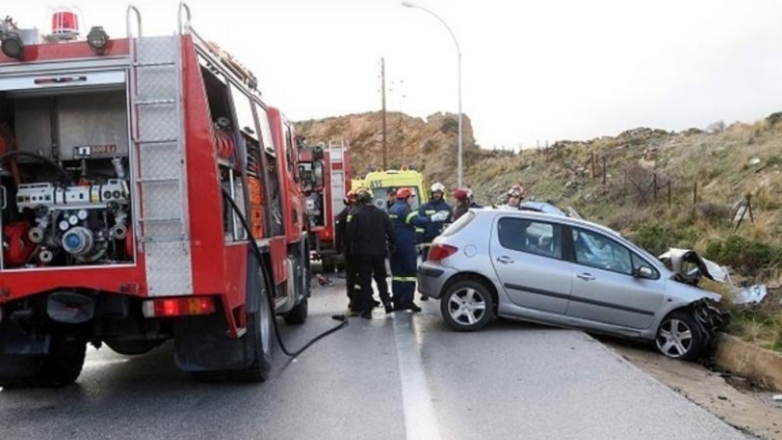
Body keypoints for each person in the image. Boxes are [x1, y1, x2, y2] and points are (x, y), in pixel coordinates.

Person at [389, 188, 449, 312]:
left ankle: (397, 301)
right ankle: (408, 301)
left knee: (397, 275)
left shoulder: (392, 209)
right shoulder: (405, 210)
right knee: (410, 274)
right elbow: (418, 221)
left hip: (394, 246)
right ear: (407, 198)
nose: (412, 200)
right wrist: (434, 218)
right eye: (411, 197)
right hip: (405, 246)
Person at [345, 189, 396, 318]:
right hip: (379, 253)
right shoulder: (382, 213)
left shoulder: (356, 215)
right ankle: (387, 303)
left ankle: (367, 311)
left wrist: (349, 250)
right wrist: (392, 244)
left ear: (360, 201)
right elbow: (391, 231)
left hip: (362, 254)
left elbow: (349, 235)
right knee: (381, 279)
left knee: (365, 281)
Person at [418, 182, 452, 300]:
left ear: (442, 194)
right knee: (425, 268)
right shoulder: (424, 207)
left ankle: (443, 289)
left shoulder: (447, 208)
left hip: (442, 242)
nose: (437, 195)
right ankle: (425, 291)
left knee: (444, 267)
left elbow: (450, 224)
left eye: (439, 193)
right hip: (427, 242)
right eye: (435, 193)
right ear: (431, 194)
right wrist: (419, 241)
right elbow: (419, 226)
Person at [334, 190, 357, 309]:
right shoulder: (343, 216)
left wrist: (339, 249)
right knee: (353, 275)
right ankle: (353, 299)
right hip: (350, 250)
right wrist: (339, 249)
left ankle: (360, 298)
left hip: (353, 249)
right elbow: (338, 235)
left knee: (357, 275)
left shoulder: (344, 215)